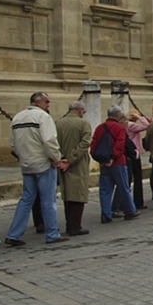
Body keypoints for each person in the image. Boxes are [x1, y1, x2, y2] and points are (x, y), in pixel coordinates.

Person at [5, 92, 69, 246]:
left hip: (27, 164)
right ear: (38, 102)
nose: (48, 105)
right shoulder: (43, 117)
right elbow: (49, 141)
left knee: (26, 199)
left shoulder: (17, 117)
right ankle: (52, 233)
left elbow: (13, 145)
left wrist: (23, 157)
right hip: (43, 163)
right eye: (47, 102)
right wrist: (56, 158)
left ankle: (14, 234)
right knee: (48, 200)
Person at [91, 107, 138, 223]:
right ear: (117, 116)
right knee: (123, 187)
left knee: (105, 189)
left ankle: (106, 214)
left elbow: (93, 146)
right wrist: (112, 157)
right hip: (118, 162)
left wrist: (100, 160)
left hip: (103, 162)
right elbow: (120, 145)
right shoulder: (119, 128)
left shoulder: (99, 128)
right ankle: (130, 210)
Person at [56, 101, 92, 236]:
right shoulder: (83, 124)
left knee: (67, 195)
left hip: (62, 161)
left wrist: (61, 158)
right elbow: (85, 143)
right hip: (77, 163)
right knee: (78, 194)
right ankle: (75, 225)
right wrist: (71, 159)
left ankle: (69, 223)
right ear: (80, 110)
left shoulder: (58, 123)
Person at [125, 109, 150, 209]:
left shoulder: (126, 124)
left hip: (128, 152)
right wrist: (140, 117)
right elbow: (146, 125)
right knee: (137, 177)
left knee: (128, 177)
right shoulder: (131, 125)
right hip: (135, 152)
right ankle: (138, 201)